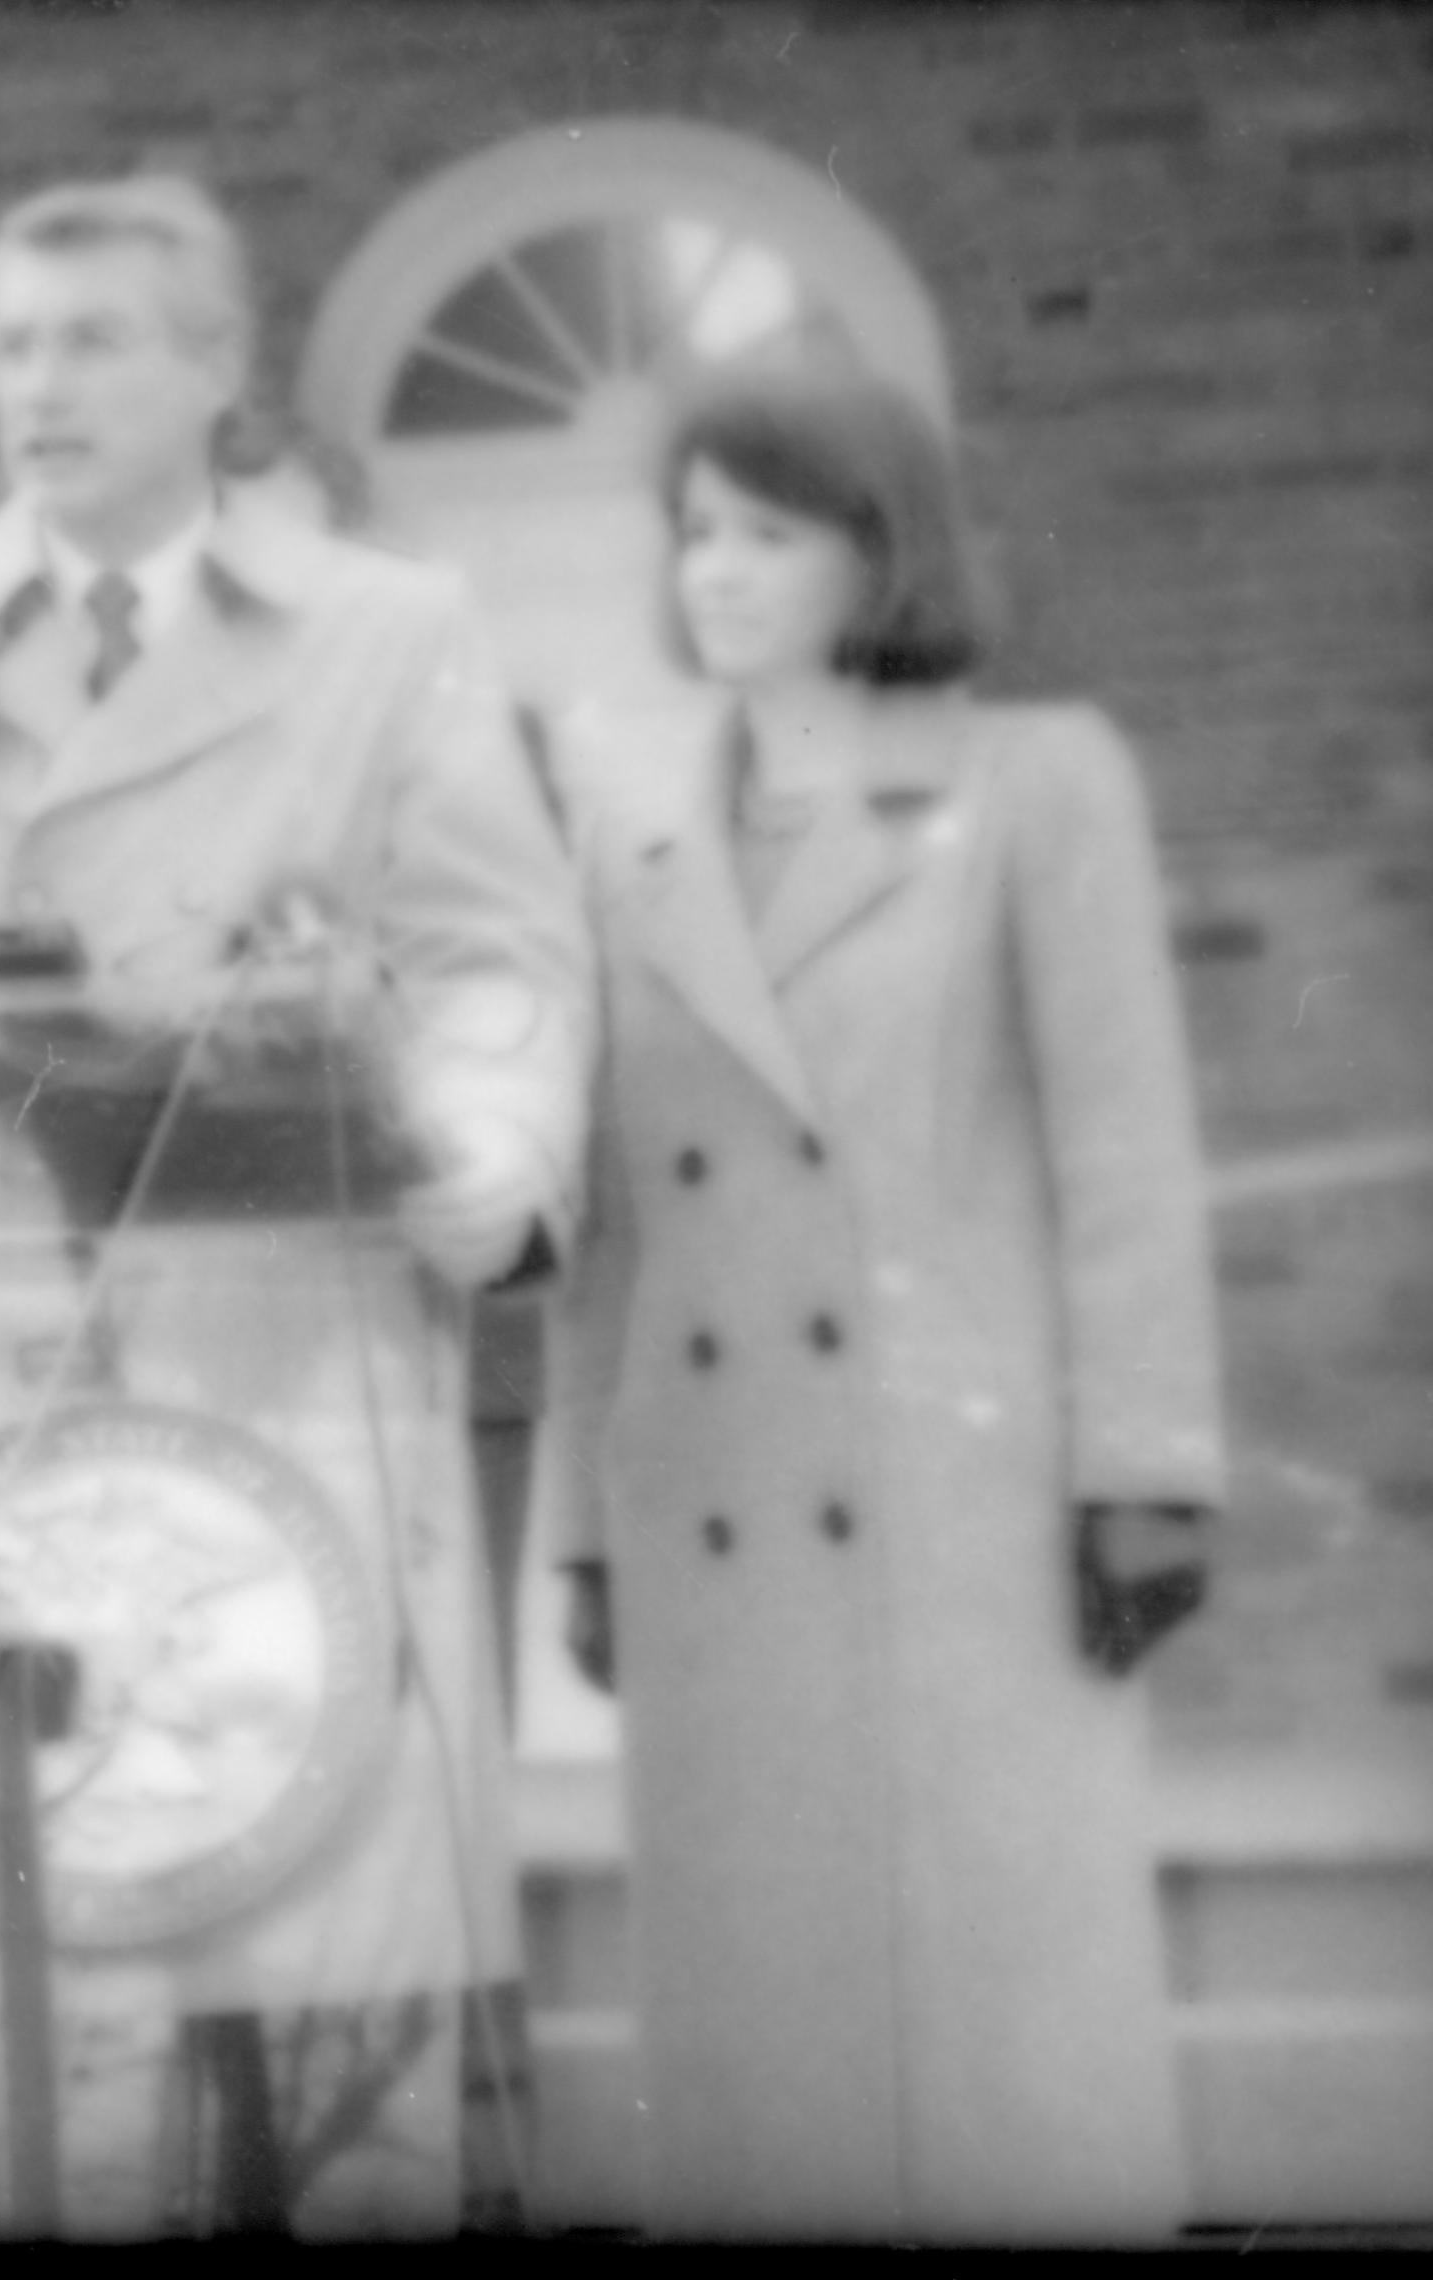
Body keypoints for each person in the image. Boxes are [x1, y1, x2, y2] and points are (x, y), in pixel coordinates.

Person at [0, 175, 589, 2235]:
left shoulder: (388, 635)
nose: (35, 384)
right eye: (5, 343)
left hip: (294, 1385)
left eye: (92, 339)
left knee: (319, 2011)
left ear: (216, 369)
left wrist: (492, 1150)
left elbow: (495, 962)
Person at [542, 358, 1221, 2240]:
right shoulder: (638, 822)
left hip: (969, 1515)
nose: (720, 573)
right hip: (712, 1495)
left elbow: (1124, 1151)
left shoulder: (1032, 779)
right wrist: (580, 1528)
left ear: (880, 548)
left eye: (770, 530)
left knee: (1005, 2037)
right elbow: (611, 1221)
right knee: (767, 2044)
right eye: (695, 532)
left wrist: (1149, 1468)